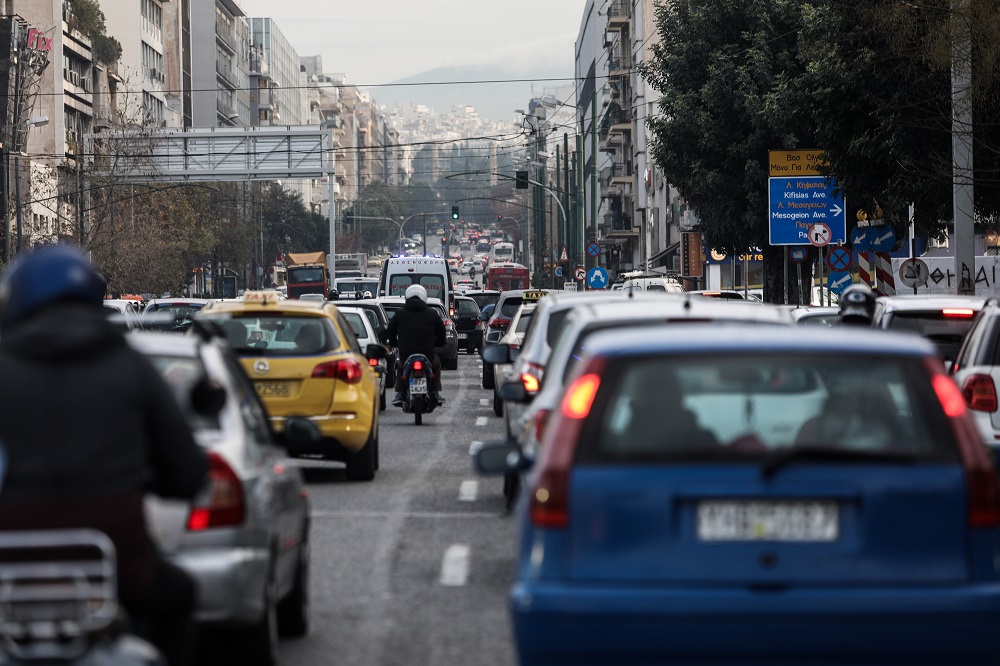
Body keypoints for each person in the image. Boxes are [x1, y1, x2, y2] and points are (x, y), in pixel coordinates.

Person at [0, 245, 207, 666]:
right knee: (179, 596)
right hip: (120, 570)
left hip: (9, 570)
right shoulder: (130, 365)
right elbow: (187, 474)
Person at [386, 284, 446, 406]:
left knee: (400, 367)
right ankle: (434, 392)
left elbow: (390, 330)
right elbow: (441, 331)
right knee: (436, 364)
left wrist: (393, 343)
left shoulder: (400, 313)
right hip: (427, 353)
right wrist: (440, 343)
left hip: (406, 352)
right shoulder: (432, 313)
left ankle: (400, 393)